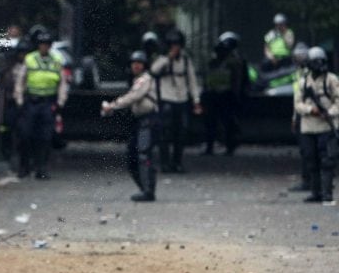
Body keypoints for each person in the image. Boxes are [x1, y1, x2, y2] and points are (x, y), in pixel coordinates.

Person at [102, 50, 160, 201]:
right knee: (132, 156)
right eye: (134, 63)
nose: (136, 66)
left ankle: (148, 190)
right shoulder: (136, 80)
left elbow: (134, 96)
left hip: (148, 120)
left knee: (143, 154)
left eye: (139, 63)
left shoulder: (144, 79)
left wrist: (113, 105)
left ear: (144, 65)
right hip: (139, 121)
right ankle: (144, 188)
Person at [13, 31, 69, 179]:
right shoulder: (30, 59)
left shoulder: (57, 60)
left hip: (48, 103)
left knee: (45, 137)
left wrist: (61, 101)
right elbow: (21, 80)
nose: (44, 47)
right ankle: (24, 166)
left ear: (50, 46)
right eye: (42, 44)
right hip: (31, 101)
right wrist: (19, 99)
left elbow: (62, 83)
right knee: (25, 134)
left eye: (46, 45)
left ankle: (41, 168)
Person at [150, 29, 202, 172]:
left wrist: (196, 100)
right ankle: (165, 162)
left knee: (181, 132)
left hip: (182, 99)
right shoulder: (162, 59)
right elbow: (153, 71)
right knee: (164, 132)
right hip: (167, 98)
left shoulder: (185, 60)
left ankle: (177, 162)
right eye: (172, 45)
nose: (175, 47)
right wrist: (168, 58)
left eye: (177, 45)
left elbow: (192, 81)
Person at [293, 47, 339, 205]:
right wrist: (310, 110)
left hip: (327, 127)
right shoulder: (304, 81)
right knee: (311, 160)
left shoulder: (331, 80)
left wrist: (330, 112)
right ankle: (316, 192)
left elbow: (338, 101)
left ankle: (327, 194)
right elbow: (298, 104)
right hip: (308, 127)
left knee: (327, 161)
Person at [201, 31, 246, 156]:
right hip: (214, 95)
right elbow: (208, 78)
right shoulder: (215, 62)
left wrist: (236, 95)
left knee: (227, 122)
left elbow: (238, 80)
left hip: (226, 95)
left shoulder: (234, 62)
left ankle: (229, 146)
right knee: (211, 122)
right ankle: (211, 146)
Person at [289, 42, 312, 192]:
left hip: (312, 115)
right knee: (305, 151)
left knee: (312, 150)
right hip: (300, 114)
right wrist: (294, 117)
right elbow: (297, 99)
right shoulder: (297, 74)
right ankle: (308, 180)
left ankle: (314, 181)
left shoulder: (314, 74)